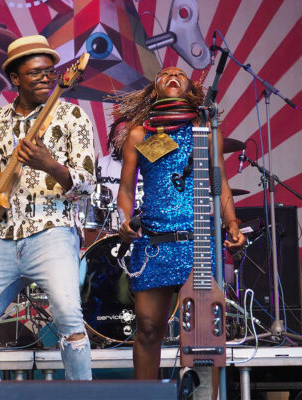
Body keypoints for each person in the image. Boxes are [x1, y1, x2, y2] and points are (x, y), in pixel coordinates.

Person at [0, 35, 96, 399]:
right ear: (15, 78)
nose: (45, 78)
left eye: (50, 72)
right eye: (34, 73)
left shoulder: (72, 116)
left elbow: (87, 185)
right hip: (3, 236)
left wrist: (49, 165)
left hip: (51, 230)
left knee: (69, 316)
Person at [110, 66, 246, 383]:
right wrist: (124, 220)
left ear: (190, 90)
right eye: (165, 74)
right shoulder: (140, 134)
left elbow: (221, 184)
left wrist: (233, 225)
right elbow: (127, 190)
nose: (173, 74)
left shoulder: (206, 130)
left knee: (202, 337)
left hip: (197, 242)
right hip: (155, 244)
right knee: (147, 328)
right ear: (155, 90)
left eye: (180, 74)